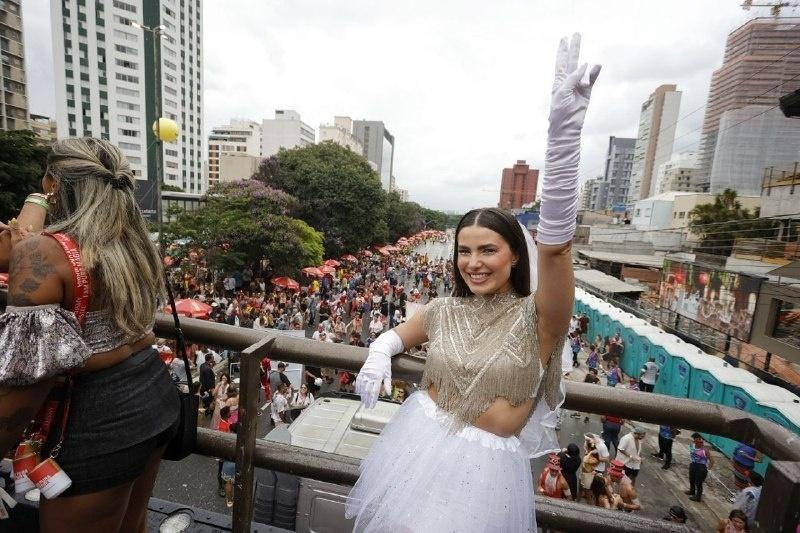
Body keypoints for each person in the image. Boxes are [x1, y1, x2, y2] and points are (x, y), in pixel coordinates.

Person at [346, 34, 600, 532]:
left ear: (513, 256)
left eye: (488, 250)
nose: (473, 262)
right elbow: (396, 335)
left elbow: (556, 249)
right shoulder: (444, 310)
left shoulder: (540, 318)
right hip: (415, 445)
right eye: (464, 250)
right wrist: (379, 353)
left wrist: (563, 139)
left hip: (485, 478)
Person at [0, 138, 179, 531]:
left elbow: (30, 375)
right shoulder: (134, 244)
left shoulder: (44, 253)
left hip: (93, 422)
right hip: (152, 399)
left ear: (52, 186)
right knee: (131, 525)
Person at [686, 432, 715, 502]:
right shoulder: (691, 446)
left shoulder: (705, 450)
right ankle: (692, 491)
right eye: (698, 441)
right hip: (693, 464)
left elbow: (712, 460)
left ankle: (698, 497)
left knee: (698, 483)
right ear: (695, 441)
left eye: (701, 442)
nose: (701, 443)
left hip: (701, 468)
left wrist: (708, 468)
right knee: (691, 479)